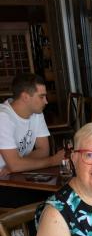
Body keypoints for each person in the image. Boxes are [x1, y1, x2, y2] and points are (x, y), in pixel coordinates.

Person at [0, 73, 65, 207]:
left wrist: (19, 164)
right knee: (51, 202)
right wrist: (52, 161)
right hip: (3, 183)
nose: (46, 101)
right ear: (25, 97)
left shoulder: (36, 113)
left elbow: (43, 150)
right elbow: (15, 165)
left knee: (61, 194)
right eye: (41, 97)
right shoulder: (3, 117)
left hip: (18, 177)